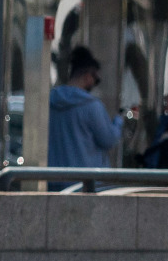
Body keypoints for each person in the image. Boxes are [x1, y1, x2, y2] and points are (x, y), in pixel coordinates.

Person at [47, 46, 122, 188]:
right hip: (85, 184)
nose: (95, 84)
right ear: (88, 75)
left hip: (54, 182)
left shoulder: (51, 100)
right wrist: (118, 122)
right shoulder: (91, 106)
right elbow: (108, 139)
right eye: (96, 79)